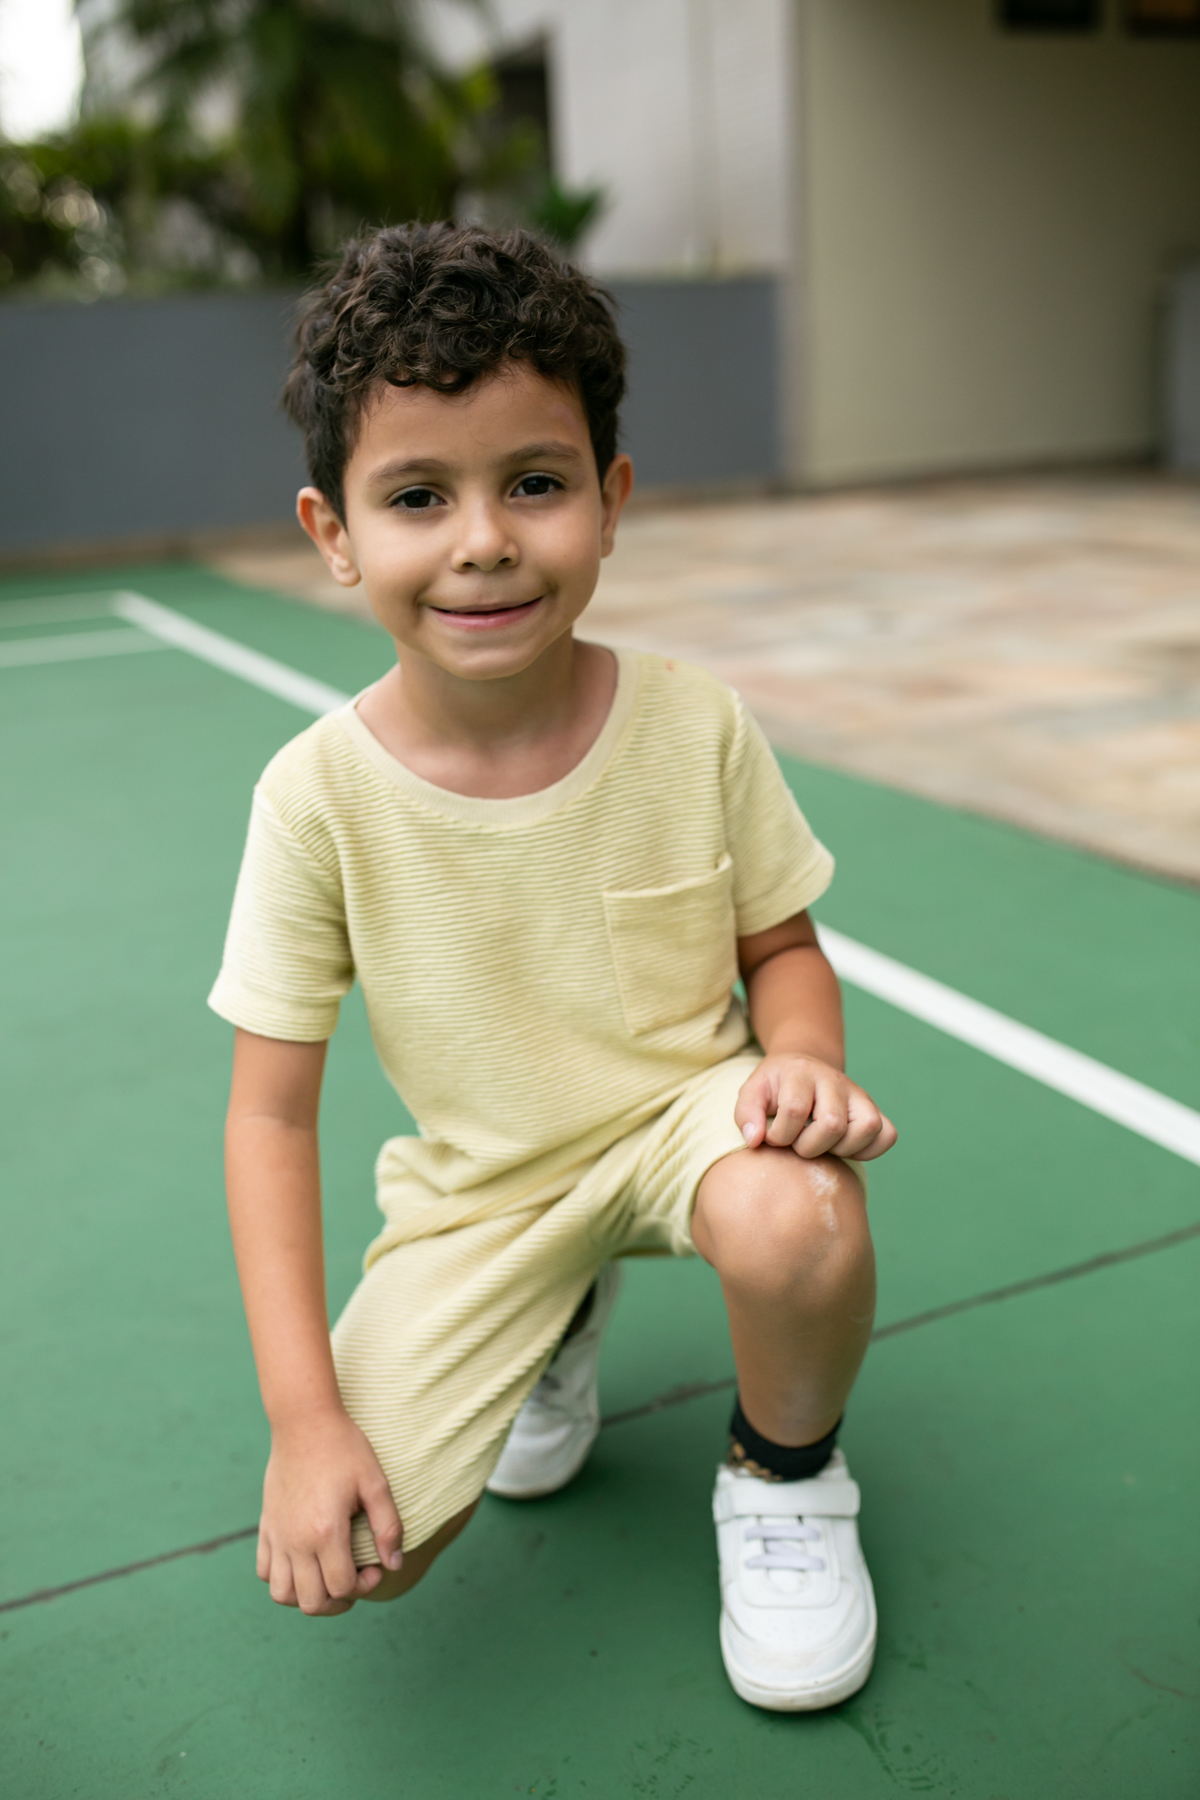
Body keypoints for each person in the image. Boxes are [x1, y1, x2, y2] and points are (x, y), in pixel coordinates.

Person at [210, 222, 897, 1713]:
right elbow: (267, 1117)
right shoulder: (313, 800)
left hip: (686, 1125)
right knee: (371, 1549)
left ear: (610, 499)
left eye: (534, 481)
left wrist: (803, 1061)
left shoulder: (695, 723)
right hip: (487, 1190)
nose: (484, 540)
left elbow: (781, 947)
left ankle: (783, 1475)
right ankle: (558, 1315)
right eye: (418, 496)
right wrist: (303, 1419)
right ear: (334, 533)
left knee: (802, 1219)